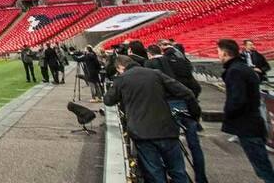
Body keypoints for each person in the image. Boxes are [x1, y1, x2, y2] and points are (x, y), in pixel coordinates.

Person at [103, 55, 200, 183]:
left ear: (120, 67)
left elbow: (108, 100)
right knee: (178, 172)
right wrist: (194, 115)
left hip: (142, 134)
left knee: (155, 173)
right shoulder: (156, 74)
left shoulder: (122, 79)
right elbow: (187, 92)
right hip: (167, 130)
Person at [145, 44, 207, 183]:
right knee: (194, 145)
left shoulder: (151, 66)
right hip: (186, 104)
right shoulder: (180, 63)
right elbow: (194, 86)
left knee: (170, 146)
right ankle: (201, 178)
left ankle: (179, 177)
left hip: (168, 106)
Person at [218, 39, 274, 183]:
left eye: (218, 51)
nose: (218, 55)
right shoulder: (241, 67)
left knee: (262, 166)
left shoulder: (235, 71)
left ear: (225, 53)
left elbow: (237, 100)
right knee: (261, 164)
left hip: (247, 124)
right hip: (252, 122)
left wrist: (228, 114)